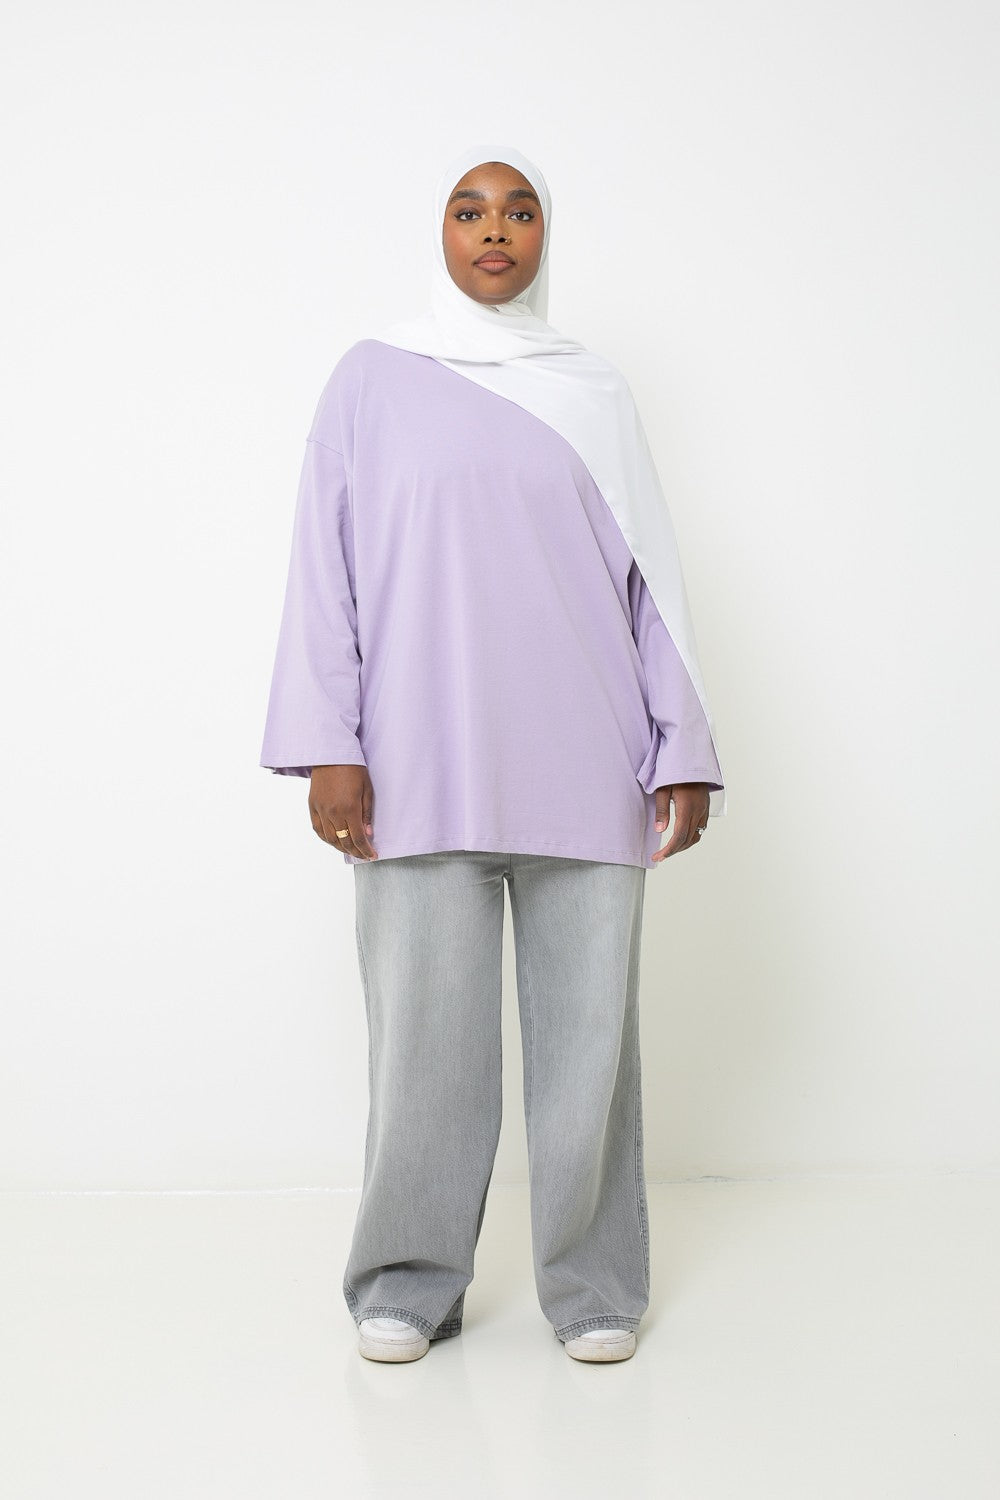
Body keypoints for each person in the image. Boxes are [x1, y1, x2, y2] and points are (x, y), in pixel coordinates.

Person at [259, 142, 726, 1365]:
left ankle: (595, 1288)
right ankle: (406, 1283)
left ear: (543, 237)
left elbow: (653, 583)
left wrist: (679, 745)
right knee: (423, 1051)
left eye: (519, 212)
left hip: (588, 758)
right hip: (417, 766)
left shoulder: (594, 391)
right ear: (441, 234)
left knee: (589, 1054)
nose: (495, 230)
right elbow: (323, 568)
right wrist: (328, 744)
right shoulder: (371, 379)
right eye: (470, 211)